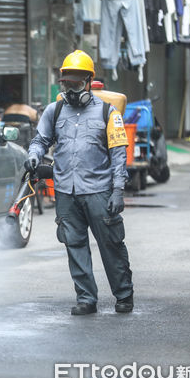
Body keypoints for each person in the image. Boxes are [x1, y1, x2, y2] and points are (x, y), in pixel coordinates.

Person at [25, 50, 134, 315]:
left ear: (89, 82)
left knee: (111, 245)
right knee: (74, 246)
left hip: (99, 191)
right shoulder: (55, 110)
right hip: (65, 192)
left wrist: (118, 190)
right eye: (67, 84)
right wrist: (33, 155)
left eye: (76, 84)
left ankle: (124, 295)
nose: (71, 90)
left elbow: (119, 156)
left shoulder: (108, 113)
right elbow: (41, 141)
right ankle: (86, 299)